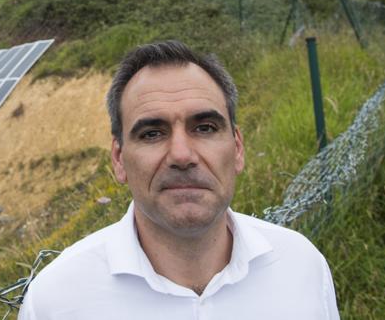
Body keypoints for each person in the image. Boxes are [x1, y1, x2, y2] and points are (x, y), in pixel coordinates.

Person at [19, 40, 339, 319]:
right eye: (152, 133)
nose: (182, 155)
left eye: (204, 128)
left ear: (238, 148)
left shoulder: (303, 266)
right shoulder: (54, 301)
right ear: (119, 160)